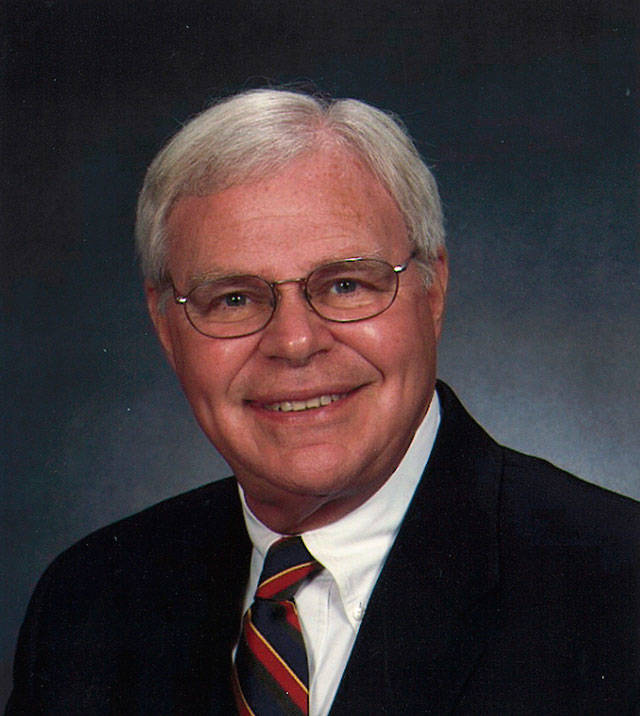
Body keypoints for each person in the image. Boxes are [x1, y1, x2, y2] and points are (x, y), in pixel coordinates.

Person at [7, 89, 639, 715]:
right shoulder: (89, 602)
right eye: (233, 299)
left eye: (345, 285)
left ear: (433, 292)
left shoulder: (618, 590)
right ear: (165, 327)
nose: (295, 342)